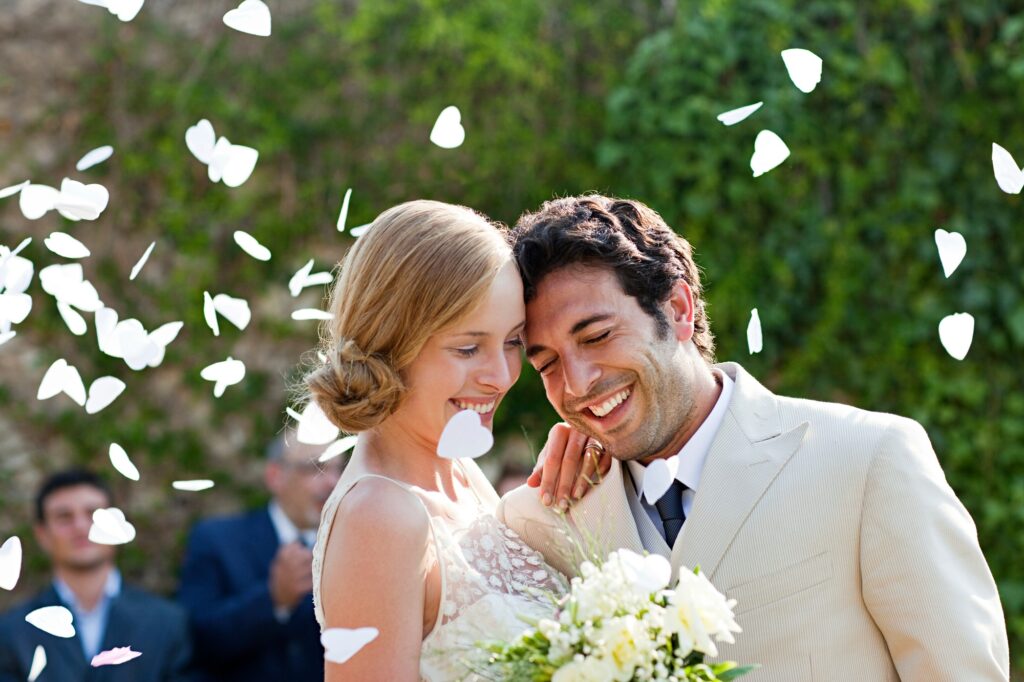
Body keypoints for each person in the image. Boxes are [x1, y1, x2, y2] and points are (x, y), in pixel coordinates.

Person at [497, 194, 1011, 681]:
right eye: (548, 365)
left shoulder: (869, 459)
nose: (578, 382)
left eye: (596, 336)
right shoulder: (541, 521)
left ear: (678, 309)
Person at [307, 200, 605, 681]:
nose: (501, 376)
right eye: (468, 348)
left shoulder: (460, 472)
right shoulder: (380, 516)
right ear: (390, 341)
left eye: (512, 342)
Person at [177, 430, 341, 682]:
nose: (331, 482)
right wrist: (274, 600)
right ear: (275, 476)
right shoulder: (217, 539)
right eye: (315, 468)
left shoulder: (351, 548)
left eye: (337, 470)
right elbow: (195, 640)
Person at [0, 469, 192, 682]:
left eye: (94, 514)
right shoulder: (12, 632)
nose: (81, 527)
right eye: (64, 517)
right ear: (42, 535)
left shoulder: (167, 622)